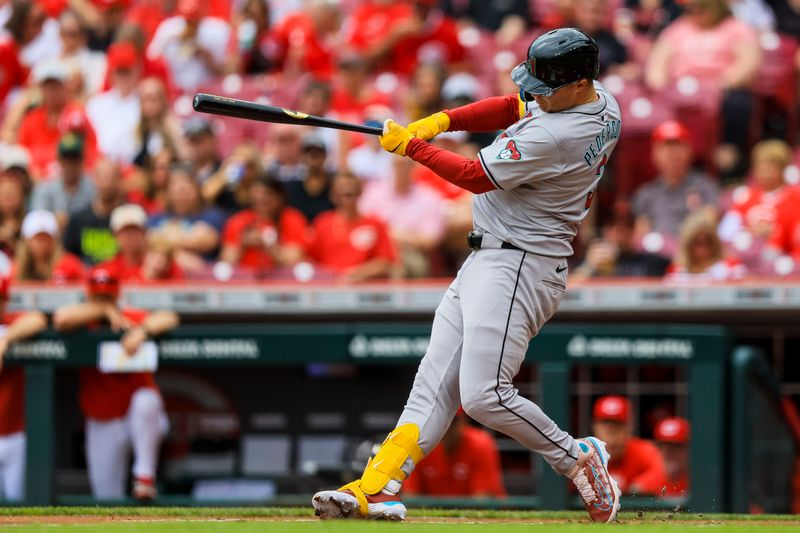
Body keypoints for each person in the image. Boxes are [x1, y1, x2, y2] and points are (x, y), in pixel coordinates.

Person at [312, 28, 622, 523]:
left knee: (484, 396)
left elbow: (475, 176)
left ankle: (578, 459)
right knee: (431, 386)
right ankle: (375, 488)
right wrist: (439, 122)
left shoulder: (562, 133)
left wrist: (413, 148)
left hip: (524, 264)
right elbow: (510, 105)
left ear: (579, 82)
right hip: (489, 258)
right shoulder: (598, 99)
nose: (536, 95)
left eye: (547, 87)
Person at [53, 266, 179, 501]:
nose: (104, 299)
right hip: (102, 418)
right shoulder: (82, 322)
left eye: (108, 295)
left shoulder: (130, 317)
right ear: (89, 294)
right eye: (98, 295)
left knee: (146, 400)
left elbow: (169, 316)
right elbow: (61, 319)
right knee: (106, 499)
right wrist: (101, 308)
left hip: (137, 417)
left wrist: (143, 330)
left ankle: (144, 476)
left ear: (117, 294)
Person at [645, 0, 762, 177]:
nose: (696, 14)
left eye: (702, 10)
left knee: (738, 102)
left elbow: (749, 61)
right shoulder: (679, 28)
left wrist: (724, 83)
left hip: (720, 87)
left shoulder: (735, 28)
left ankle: (728, 150)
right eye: (692, 10)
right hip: (680, 90)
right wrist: (661, 86)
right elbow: (657, 61)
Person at [0, 276, 49, 502]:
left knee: (18, 508)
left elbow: (37, 319)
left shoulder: (12, 323)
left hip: (16, 434)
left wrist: (6, 339)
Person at [631, 120, 720, 242]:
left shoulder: (706, 187)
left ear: (689, 151)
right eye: (666, 149)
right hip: (657, 255)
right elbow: (640, 235)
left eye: (677, 148)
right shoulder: (646, 194)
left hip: (693, 252)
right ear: (655, 154)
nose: (672, 155)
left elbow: (710, 223)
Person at [359, 156, 446, 278]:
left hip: (409, 253)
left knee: (400, 264)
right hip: (372, 249)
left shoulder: (430, 197)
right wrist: (401, 234)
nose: (401, 169)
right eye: (397, 164)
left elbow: (430, 240)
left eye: (405, 165)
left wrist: (390, 233)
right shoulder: (374, 191)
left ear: (414, 167)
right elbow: (360, 224)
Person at [16, 59, 98, 180]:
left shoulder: (76, 115)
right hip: (35, 179)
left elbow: (83, 154)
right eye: (47, 87)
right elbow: (21, 154)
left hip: (68, 178)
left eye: (55, 87)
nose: (50, 92)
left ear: (65, 87)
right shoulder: (31, 118)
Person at [307, 171, 396, 282]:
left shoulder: (374, 224)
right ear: (333, 195)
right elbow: (310, 259)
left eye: (351, 192)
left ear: (360, 192)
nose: (347, 195)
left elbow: (385, 263)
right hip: (329, 288)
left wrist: (352, 274)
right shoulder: (322, 223)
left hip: (363, 289)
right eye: (342, 191)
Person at [403, 409, 506, 498]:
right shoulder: (420, 444)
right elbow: (411, 496)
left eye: (452, 422)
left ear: (464, 421)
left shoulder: (481, 443)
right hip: (433, 513)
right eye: (441, 422)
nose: (447, 428)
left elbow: (483, 500)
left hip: (472, 515)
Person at [220, 178, 308, 277]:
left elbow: (294, 260)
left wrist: (267, 245)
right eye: (256, 195)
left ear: (279, 197)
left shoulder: (292, 219)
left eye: (267, 195)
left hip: (283, 282)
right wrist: (243, 243)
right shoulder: (238, 221)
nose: (261, 199)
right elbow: (227, 261)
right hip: (244, 282)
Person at [147, 165, 224, 274]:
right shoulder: (156, 218)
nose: (182, 189)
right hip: (164, 280)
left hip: (202, 281)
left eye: (187, 183)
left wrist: (164, 241)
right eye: (176, 184)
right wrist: (179, 255)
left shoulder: (211, 216)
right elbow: (148, 241)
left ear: (197, 188)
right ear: (167, 191)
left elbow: (207, 241)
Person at [146, 0, 231, 92]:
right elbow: (151, 57)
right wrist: (170, 40)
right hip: (176, 90)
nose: (190, 23)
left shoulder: (217, 29)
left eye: (194, 18)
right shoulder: (169, 28)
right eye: (188, 19)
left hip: (208, 90)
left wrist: (207, 57)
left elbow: (229, 72)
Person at [592, 396, 668, 496]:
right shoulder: (584, 453)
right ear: (595, 427)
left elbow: (663, 471)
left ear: (630, 428)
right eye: (606, 426)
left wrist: (639, 487)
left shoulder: (643, 450)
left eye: (618, 425)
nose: (611, 433)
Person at [86, 41, 142, 164]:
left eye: (127, 71)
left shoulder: (144, 103)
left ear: (136, 71)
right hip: (100, 165)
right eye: (120, 72)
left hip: (133, 165)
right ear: (112, 73)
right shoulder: (96, 104)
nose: (124, 77)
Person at [572, 212, 671, 279]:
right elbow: (568, 293)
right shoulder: (590, 261)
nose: (618, 232)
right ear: (606, 230)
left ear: (634, 231)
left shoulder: (653, 262)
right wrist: (588, 267)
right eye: (612, 225)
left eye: (626, 226)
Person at [100, 204, 182, 283]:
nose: (130, 236)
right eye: (125, 231)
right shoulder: (107, 271)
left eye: (135, 230)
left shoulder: (165, 266)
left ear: (145, 233)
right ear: (115, 236)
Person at [29, 132, 95, 230]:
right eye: (66, 159)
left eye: (74, 159)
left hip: (83, 239)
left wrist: (73, 221)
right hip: (53, 240)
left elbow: (99, 218)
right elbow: (35, 220)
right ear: (59, 160)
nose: (70, 165)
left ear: (81, 160)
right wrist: (52, 220)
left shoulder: (93, 188)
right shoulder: (45, 189)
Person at [64, 158, 123, 265]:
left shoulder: (127, 220)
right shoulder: (78, 220)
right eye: (101, 177)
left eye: (110, 178)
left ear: (119, 181)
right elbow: (69, 260)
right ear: (93, 179)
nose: (106, 183)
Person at [665, 211, 746, 281]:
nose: (702, 248)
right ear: (688, 245)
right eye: (697, 243)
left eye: (707, 241)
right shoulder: (677, 272)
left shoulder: (730, 267)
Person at [14, 210, 84, 282]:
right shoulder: (17, 269)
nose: (42, 243)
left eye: (46, 237)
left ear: (54, 240)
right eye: (37, 238)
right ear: (27, 241)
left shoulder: (71, 266)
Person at [285, 133, 335, 222]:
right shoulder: (292, 188)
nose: (313, 155)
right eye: (308, 152)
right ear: (302, 157)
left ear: (324, 156)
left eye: (318, 153)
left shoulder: (334, 187)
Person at [654, 417, 690, 498]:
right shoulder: (646, 484)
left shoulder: (699, 484)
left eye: (676, 446)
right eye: (664, 446)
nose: (669, 452)